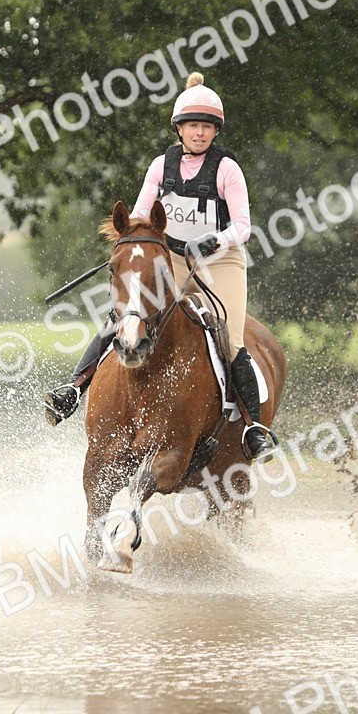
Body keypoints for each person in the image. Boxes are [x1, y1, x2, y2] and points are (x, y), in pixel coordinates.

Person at [43, 72, 277, 460]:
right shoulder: (160, 166)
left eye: (206, 127)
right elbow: (138, 213)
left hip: (220, 263)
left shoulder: (226, 170)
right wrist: (136, 238)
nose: (199, 134)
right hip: (171, 260)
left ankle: (254, 427)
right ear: (180, 129)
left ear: (214, 131)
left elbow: (243, 226)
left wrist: (214, 239)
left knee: (231, 339)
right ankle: (73, 389)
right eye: (193, 127)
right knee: (126, 318)